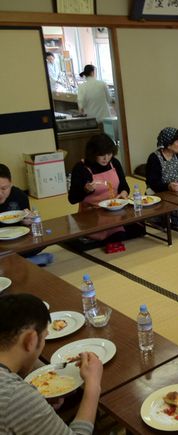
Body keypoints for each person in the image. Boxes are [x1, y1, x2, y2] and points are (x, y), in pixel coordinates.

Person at [0, 293, 103, 434]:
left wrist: (37, 406)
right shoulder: (15, 396)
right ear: (31, 339)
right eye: (44, 337)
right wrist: (93, 385)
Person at [68, 134, 144, 245]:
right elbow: (72, 199)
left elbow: (124, 185)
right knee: (119, 235)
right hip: (94, 214)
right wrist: (86, 190)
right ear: (93, 153)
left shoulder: (114, 163)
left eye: (109, 154)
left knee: (140, 228)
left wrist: (124, 193)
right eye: (102, 155)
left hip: (115, 210)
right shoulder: (81, 168)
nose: (106, 158)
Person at [0, 164, 53, 266]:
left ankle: (14, 263)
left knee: (43, 239)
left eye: (4, 188)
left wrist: (28, 221)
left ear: (11, 184)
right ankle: (31, 262)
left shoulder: (19, 195)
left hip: (16, 241)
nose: (0, 194)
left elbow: (26, 225)